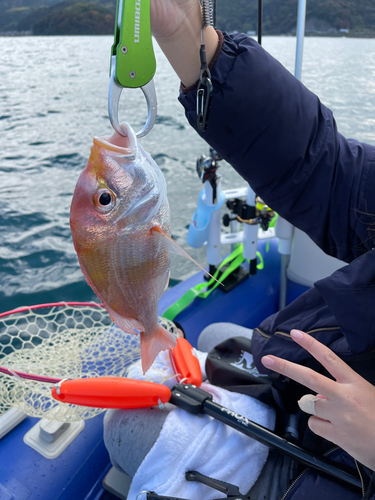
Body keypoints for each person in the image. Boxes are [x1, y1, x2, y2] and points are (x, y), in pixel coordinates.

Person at [104, 1, 375, 498]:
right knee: (212, 336)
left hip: (344, 472)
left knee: (126, 428)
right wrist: (193, 39)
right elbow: (324, 169)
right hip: (313, 385)